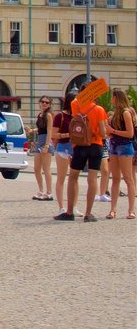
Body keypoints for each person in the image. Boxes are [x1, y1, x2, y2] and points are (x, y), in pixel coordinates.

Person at [57, 81, 109, 223]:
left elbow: (76, 112)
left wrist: (81, 96)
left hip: (79, 146)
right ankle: (88, 214)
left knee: (73, 177)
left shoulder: (76, 105)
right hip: (96, 146)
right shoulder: (99, 110)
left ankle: (69, 212)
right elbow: (103, 133)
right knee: (92, 179)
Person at [105, 88, 135, 220]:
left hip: (125, 146)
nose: (111, 100)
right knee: (115, 178)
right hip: (114, 146)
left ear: (117, 98)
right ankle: (113, 210)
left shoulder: (126, 113)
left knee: (128, 179)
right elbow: (111, 132)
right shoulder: (114, 115)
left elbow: (130, 133)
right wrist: (108, 131)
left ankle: (131, 210)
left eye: (112, 97)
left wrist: (113, 131)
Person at [51, 90, 77, 216]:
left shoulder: (78, 116)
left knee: (74, 178)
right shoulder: (60, 116)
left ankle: (73, 206)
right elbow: (53, 134)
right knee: (61, 178)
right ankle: (61, 206)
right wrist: (67, 134)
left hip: (76, 147)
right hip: (63, 147)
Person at [29, 96, 55, 201]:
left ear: (49, 105)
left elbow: (49, 131)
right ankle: (40, 190)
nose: (44, 104)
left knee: (46, 168)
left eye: (47, 102)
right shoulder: (40, 115)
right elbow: (41, 129)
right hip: (39, 141)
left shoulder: (49, 115)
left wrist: (47, 145)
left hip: (45, 142)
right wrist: (32, 131)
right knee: (36, 168)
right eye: (43, 102)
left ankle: (49, 192)